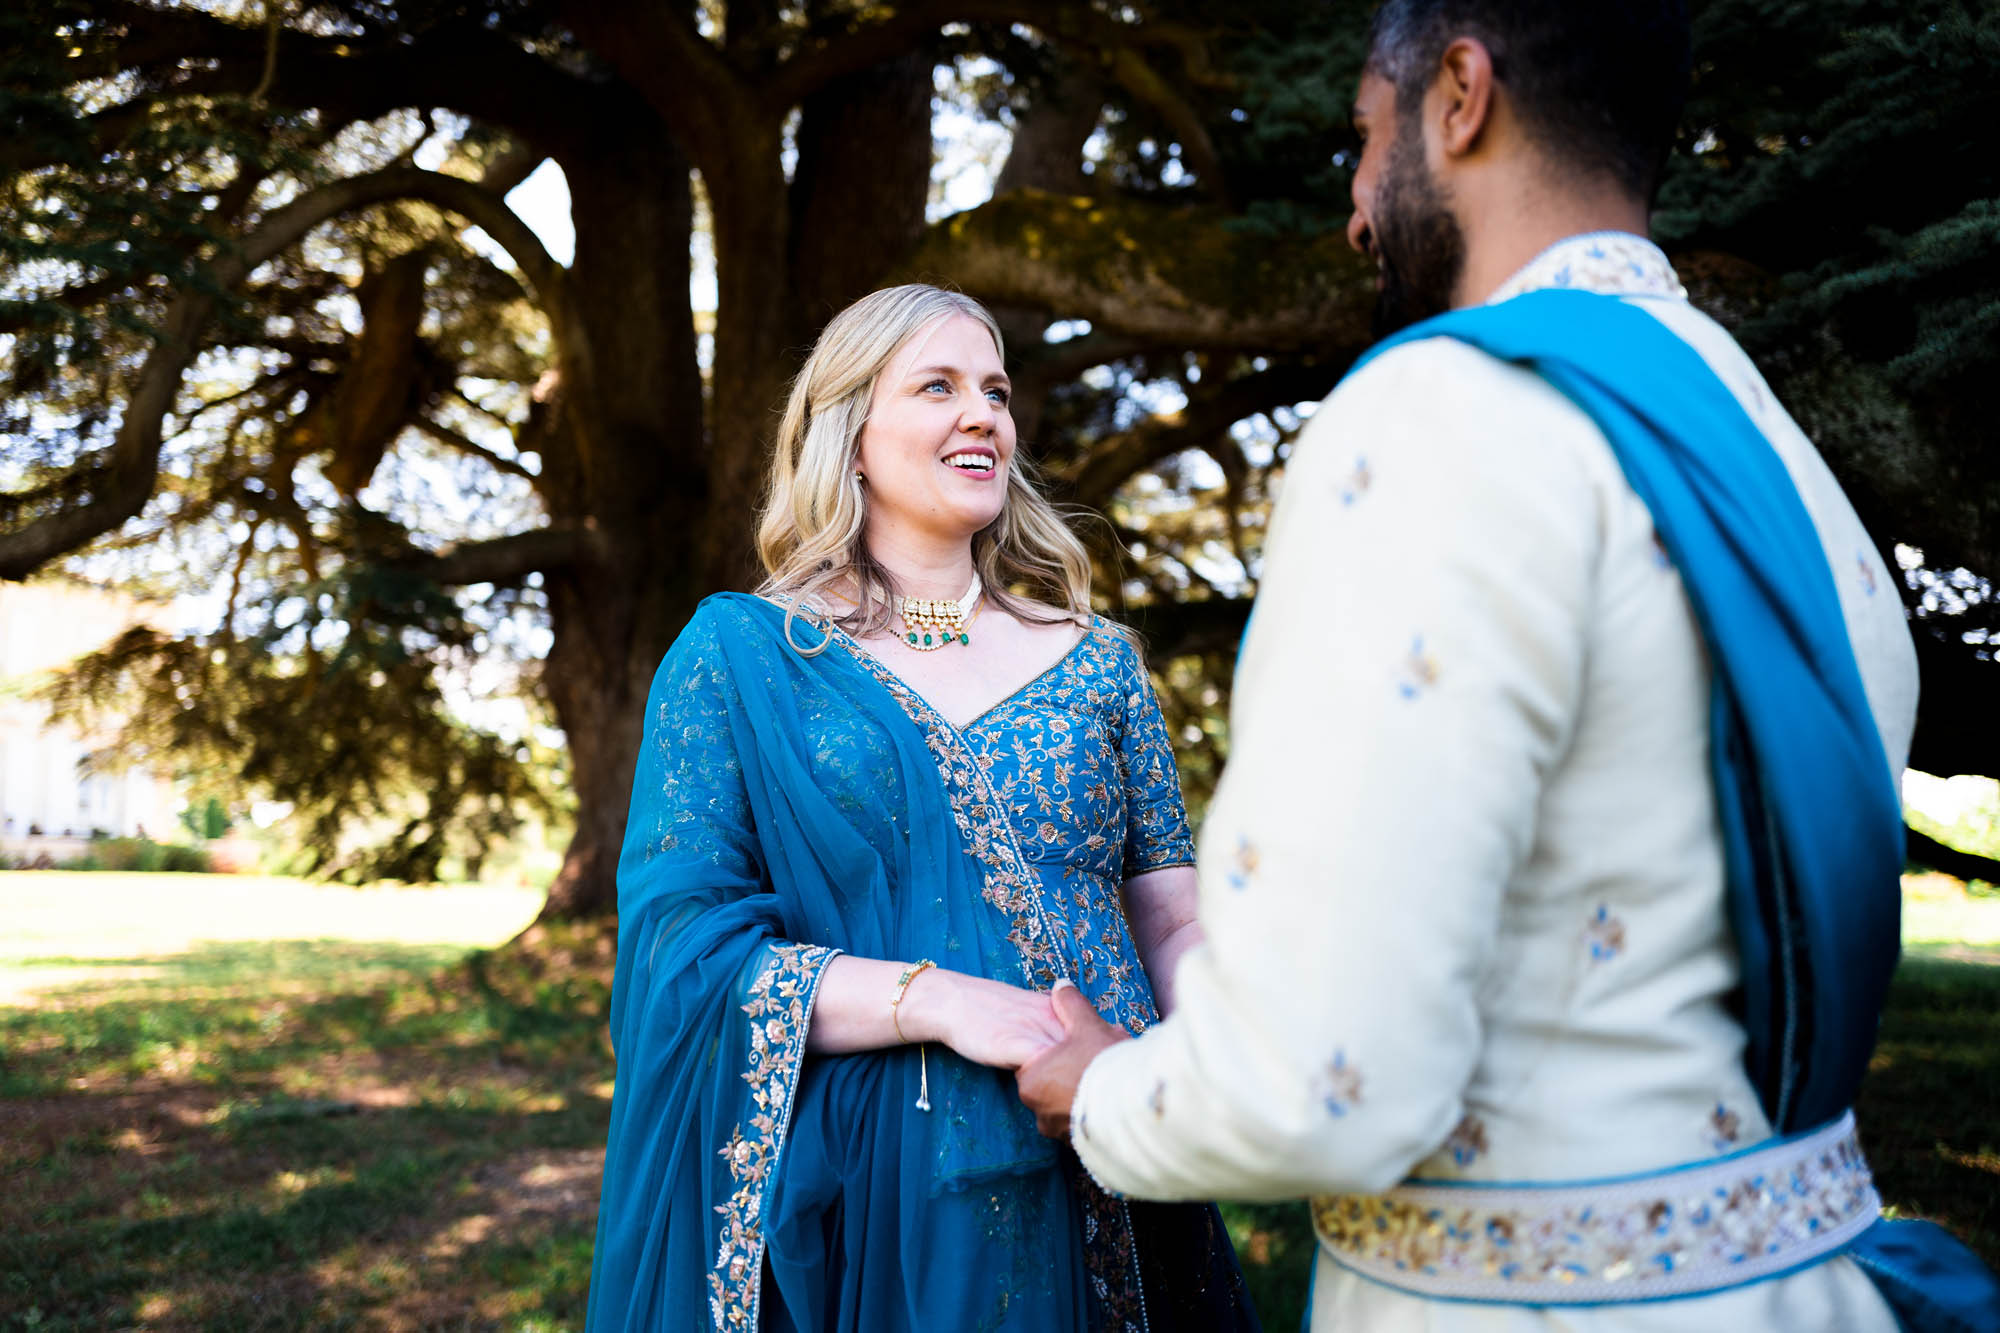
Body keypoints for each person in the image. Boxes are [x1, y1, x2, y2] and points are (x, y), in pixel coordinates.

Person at [1016, 2, 2000, 1330]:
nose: (1358, 212)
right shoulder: (1778, 459)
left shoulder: (1446, 418)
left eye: (1365, 142)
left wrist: (1105, 1091)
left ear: (1461, 95)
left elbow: (1320, 1077)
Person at [584, 284, 1259, 1332]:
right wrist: (940, 1000)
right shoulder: (745, 658)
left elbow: (1167, 912)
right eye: (936, 386)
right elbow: (684, 951)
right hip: (876, 1185)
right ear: (849, 434)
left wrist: (1198, 1065)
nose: (982, 413)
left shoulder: (1096, 662)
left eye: (994, 390)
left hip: (1109, 1144)